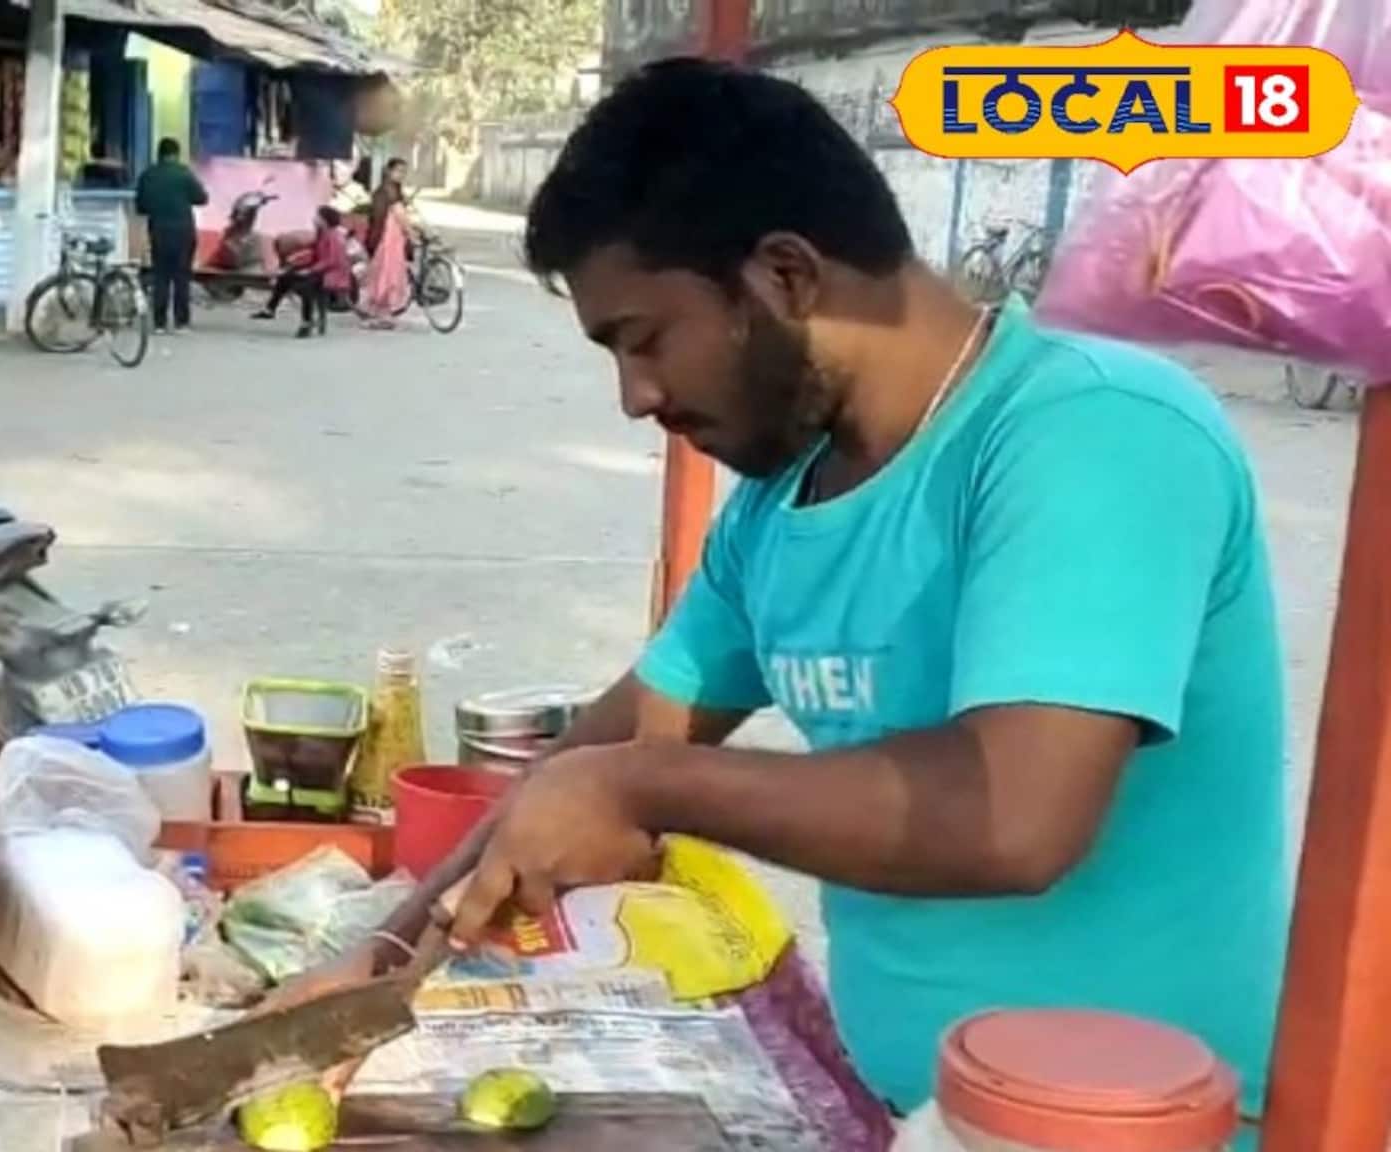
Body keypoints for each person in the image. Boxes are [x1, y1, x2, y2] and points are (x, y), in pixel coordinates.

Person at [272, 60, 1288, 1118]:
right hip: (914, 1111)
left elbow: (1012, 818)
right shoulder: (778, 509)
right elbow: (606, 745)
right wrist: (378, 962)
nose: (635, 397)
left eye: (644, 339)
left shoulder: (1091, 434)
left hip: (1142, 1133)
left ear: (785, 275)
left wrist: (644, 789)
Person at [134, 137, 208, 333]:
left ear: (159, 154)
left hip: (159, 230)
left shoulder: (147, 175)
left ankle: (159, 323)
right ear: (176, 154)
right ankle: (181, 322)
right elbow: (202, 198)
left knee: (161, 277)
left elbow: (140, 207)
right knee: (182, 276)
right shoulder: (184, 174)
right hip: (183, 231)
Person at [253, 207, 351, 338]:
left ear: (324, 220)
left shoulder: (334, 236)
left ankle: (307, 322)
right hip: (320, 270)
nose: (314, 219)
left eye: (317, 216)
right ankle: (270, 309)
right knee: (285, 277)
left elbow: (332, 261)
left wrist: (309, 270)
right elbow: (314, 254)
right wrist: (295, 263)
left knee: (306, 287)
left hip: (332, 275)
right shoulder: (322, 234)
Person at [356, 161, 411, 329]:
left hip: (386, 236)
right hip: (387, 237)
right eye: (398, 171)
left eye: (404, 171)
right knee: (388, 273)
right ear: (388, 171)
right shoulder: (390, 190)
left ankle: (377, 312)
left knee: (382, 272)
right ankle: (382, 313)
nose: (401, 174)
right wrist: (411, 231)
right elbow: (399, 214)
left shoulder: (386, 189)